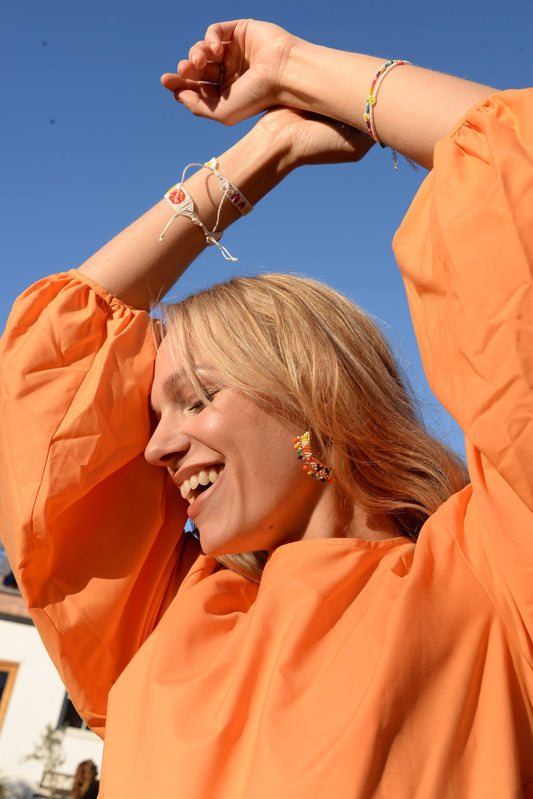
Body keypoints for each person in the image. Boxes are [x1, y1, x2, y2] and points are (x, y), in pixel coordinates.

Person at [0, 18, 532, 799]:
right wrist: (263, 152)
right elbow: (49, 368)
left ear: (314, 399)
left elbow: (513, 169)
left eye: (196, 399)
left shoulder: (488, 579)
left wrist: (296, 66)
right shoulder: (162, 621)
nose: (154, 448)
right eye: (154, 416)